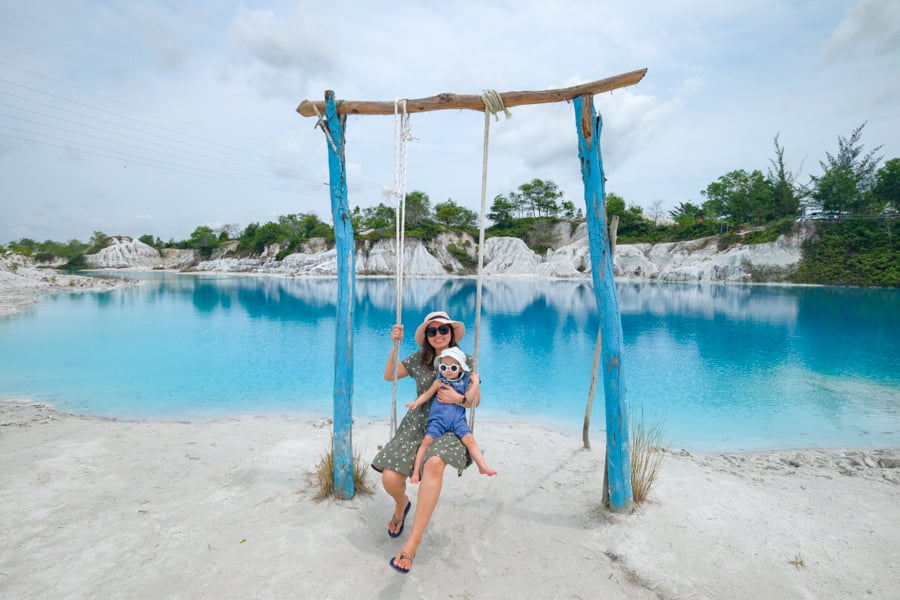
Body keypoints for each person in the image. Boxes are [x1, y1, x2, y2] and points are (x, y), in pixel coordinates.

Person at [371, 310, 484, 575]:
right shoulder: (419, 359)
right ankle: (402, 504)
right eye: (432, 331)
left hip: (449, 425)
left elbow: (475, 401)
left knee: (434, 464)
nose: (438, 335)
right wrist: (394, 346)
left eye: (443, 330)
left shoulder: (464, 360)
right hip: (416, 424)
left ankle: (412, 544)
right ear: (427, 337)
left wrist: (459, 399)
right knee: (390, 479)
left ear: (452, 333)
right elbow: (389, 375)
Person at [405, 346, 496, 484]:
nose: (448, 371)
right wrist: (415, 403)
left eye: (453, 368)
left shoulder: (466, 381)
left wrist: (475, 383)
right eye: (444, 367)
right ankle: (416, 471)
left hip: (457, 421)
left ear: (460, 368)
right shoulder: (439, 381)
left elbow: (470, 399)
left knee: (470, 440)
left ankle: (482, 466)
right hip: (438, 421)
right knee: (426, 442)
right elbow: (427, 394)